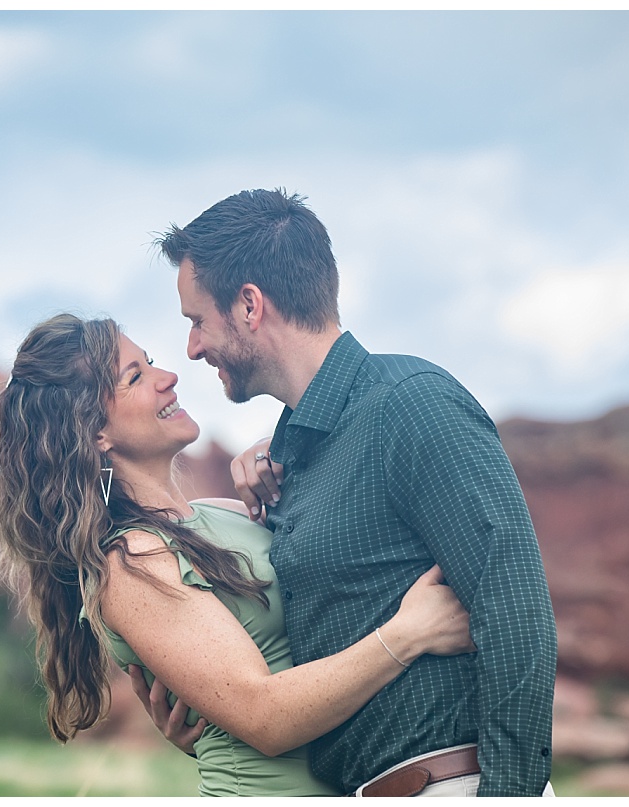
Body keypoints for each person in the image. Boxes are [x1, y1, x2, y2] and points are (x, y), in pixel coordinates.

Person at [151, 188, 558, 797]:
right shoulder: (292, 452)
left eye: (196, 321)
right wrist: (218, 720)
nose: (192, 347)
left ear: (249, 305)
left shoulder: (411, 405)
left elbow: (516, 609)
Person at [0, 312, 476, 797]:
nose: (169, 376)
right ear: (94, 434)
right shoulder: (132, 563)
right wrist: (409, 635)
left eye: (150, 362)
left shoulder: (219, 514)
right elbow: (265, 717)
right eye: (135, 376)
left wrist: (286, 456)